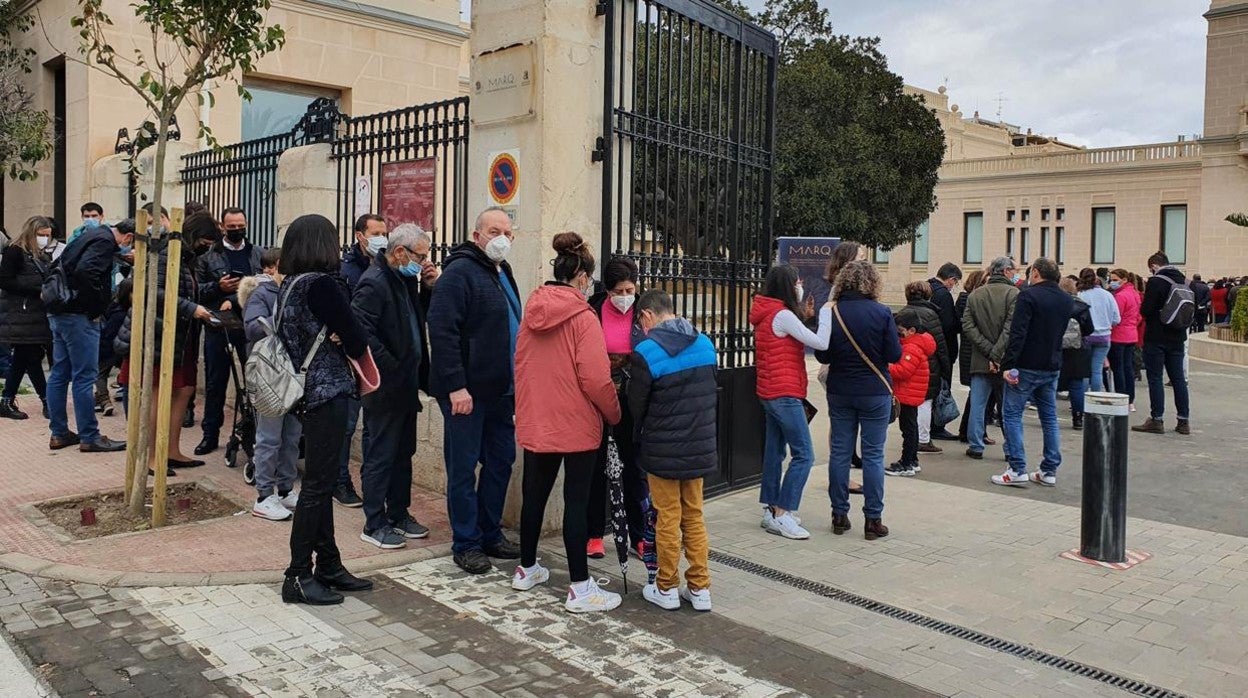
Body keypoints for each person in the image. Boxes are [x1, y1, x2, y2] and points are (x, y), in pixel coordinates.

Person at [511, 232, 622, 612]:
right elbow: (596, 378)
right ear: (581, 278)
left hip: (537, 420)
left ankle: (526, 568)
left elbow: (521, 367)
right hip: (576, 424)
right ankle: (580, 586)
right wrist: (613, 412)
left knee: (535, 496)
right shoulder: (583, 318)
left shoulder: (532, 312)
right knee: (576, 502)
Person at [276, 214, 374, 606]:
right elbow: (356, 336)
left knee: (321, 480)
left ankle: (329, 564)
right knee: (318, 486)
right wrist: (343, 333)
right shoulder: (322, 286)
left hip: (305, 393)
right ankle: (297, 573)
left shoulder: (291, 285)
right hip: (328, 390)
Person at [427, 207, 523, 575]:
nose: (502, 238)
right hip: (466, 393)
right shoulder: (459, 272)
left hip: (501, 390)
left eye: (508, 233)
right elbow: (443, 331)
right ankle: (466, 542)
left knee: (501, 461)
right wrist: (456, 387)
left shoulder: (502, 271)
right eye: (494, 230)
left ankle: (490, 532)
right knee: (464, 467)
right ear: (476, 234)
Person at [630, 290, 717, 611]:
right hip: (698, 447)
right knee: (693, 515)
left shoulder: (646, 352)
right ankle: (700, 588)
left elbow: (637, 405)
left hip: (662, 450)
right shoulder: (706, 345)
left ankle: (666, 586)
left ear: (648, 315)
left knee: (667, 517)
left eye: (641, 320)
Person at [351, 223, 437, 549]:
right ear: (400, 252)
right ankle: (374, 523)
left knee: (403, 453)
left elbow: (419, 320)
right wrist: (393, 366)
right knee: (381, 455)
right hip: (385, 387)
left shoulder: (405, 280)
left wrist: (428, 287)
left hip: (405, 385)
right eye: (420, 255)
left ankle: (399, 514)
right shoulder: (374, 282)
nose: (423, 262)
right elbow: (362, 333)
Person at [114, 211, 217, 472]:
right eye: (205, 242)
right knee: (157, 395)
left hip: (179, 336)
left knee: (184, 390)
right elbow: (150, 289)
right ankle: (150, 457)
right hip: (158, 335)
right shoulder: (167, 252)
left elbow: (183, 289)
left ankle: (171, 451)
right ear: (195, 236)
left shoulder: (186, 257)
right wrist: (191, 308)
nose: (207, 248)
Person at [815, 261, 901, 540]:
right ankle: (873, 520)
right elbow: (894, 355)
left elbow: (823, 355)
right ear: (873, 283)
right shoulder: (882, 312)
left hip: (840, 389)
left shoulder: (832, 312)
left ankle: (839, 514)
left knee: (840, 452)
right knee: (874, 455)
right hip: (874, 390)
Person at [750, 265, 831, 540]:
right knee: (804, 454)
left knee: (775, 451)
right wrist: (826, 313)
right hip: (784, 393)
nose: (800, 285)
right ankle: (783, 513)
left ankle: (771, 509)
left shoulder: (767, 311)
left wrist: (804, 316)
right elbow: (820, 342)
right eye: (797, 281)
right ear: (788, 285)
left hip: (770, 391)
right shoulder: (782, 315)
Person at [45, 206, 134, 452]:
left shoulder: (93, 235)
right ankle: (89, 436)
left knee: (60, 373)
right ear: (129, 237)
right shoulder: (105, 241)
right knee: (85, 375)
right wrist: (97, 305)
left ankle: (59, 433)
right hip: (79, 315)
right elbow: (87, 272)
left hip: (60, 311)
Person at [586, 256, 648, 558]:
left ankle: (638, 534)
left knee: (634, 468)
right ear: (608, 290)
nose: (625, 297)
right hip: (598, 397)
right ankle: (594, 533)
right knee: (596, 466)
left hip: (633, 400)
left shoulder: (643, 313)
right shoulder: (592, 312)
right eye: (619, 291)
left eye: (630, 290)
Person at [994, 258, 1072, 488]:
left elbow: (1017, 333)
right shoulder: (1066, 299)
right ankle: (1049, 469)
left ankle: (1017, 468)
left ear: (1035, 273)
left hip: (1026, 364)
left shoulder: (1027, 296)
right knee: (1049, 417)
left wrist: (1008, 364)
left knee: (1012, 415)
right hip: (1051, 364)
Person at [194, 206, 261, 456]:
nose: (236, 230)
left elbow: (265, 284)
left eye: (240, 226)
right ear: (223, 227)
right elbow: (196, 292)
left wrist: (235, 297)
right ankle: (210, 434)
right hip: (217, 326)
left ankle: (252, 431)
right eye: (231, 227)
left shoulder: (257, 254)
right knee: (215, 382)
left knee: (254, 380)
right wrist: (217, 286)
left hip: (249, 326)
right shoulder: (207, 257)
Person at [332, 214, 389, 507]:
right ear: (360, 236)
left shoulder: (387, 265)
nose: (382, 238)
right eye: (376, 232)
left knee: (373, 425)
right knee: (348, 423)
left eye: (384, 232)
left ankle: (372, 482)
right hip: (351, 357)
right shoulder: (345, 270)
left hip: (377, 355)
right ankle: (340, 481)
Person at [242, 247, 302, 521]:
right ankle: (265, 495)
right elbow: (252, 327)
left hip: (294, 374)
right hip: (270, 375)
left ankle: (286, 488)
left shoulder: (297, 291)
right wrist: (277, 321)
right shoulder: (262, 294)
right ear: (274, 268)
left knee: (291, 436)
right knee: (269, 437)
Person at [961, 257, 1018, 459]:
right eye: (1014, 270)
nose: (1015, 273)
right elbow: (1011, 328)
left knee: (978, 404)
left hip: (980, 359)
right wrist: (997, 354)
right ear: (1005, 271)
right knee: (1007, 407)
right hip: (1006, 361)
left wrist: (987, 351)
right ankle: (1010, 448)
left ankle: (976, 445)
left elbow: (967, 325)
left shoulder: (975, 295)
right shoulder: (1014, 294)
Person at [0, 216, 54, 420]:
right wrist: (35, 291)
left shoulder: (39, 255)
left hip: (34, 315)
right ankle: (46, 399)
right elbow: (5, 281)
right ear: (31, 233)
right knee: (30, 357)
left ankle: (6, 400)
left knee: (23, 358)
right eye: (41, 235)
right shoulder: (15, 251)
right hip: (21, 313)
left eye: (48, 236)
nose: (45, 239)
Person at [1133, 252, 1192, 435]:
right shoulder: (1185, 281)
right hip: (1178, 335)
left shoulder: (1156, 281)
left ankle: (1157, 419)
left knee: (1155, 378)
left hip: (1157, 337)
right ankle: (1183, 420)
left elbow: (1146, 309)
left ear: (1154, 266)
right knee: (1178, 379)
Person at [903, 281, 949, 456]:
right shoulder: (931, 314)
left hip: (907, 362)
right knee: (925, 402)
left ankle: (913, 438)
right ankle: (923, 440)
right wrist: (946, 368)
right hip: (929, 365)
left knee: (910, 402)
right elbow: (940, 344)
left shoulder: (904, 313)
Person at [887, 308, 934, 477]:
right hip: (911, 392)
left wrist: (886, 367)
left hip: (907, 393)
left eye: (901, 333)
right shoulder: (915, 344)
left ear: (912, 330)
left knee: (908, 430)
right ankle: (912, 460)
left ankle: (907, 463)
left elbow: (903, 371)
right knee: (910, 428)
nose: (898, 337)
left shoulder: (912, 348)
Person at [926, 262, 962, 441]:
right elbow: (948, 325)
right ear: (951, 279)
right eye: (955, 283)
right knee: (941, 388)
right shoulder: (944, 296)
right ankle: (937, 426)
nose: (954, 286)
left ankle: (930, 427)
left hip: (927, 348)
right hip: (943, 349)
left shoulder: (927, 288)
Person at [954, 270, 988, 442]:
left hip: (970, 349)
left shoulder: (967, 299)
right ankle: (971, 431)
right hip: (972, 350)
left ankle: (974, 431)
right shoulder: (969, 299)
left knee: (976, 394)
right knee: (977, 394)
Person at [1058, 278, 1095, 430]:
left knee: (1051, 383)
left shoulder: (1055, 305)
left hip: (1058, 348)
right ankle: (1078, 418)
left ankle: (1048, 417)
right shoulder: (1082, 306)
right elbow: (1089, 329)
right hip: (1078, 349)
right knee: (1076, 384)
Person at [1076, 267, 1120, 393]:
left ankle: (1082, 400)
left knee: (1084, 371)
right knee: (1097, 370)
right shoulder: (1108, 295)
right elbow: (1116, 319)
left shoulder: (1081, 295)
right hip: (1104, 336)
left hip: (1086, 336)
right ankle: (1095, 399)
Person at [1108, 268, 1142, 413]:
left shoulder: (1120, 296)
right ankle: (1130, 400)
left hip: (1119, 335)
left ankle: (1121, 396)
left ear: (1124, 280)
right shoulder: (1134, 294)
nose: (1112, 282)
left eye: (1115, 279)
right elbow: (1139, 316)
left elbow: (1115, 317)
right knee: (1128, 367)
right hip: (1131, 334)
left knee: (1118, 368)